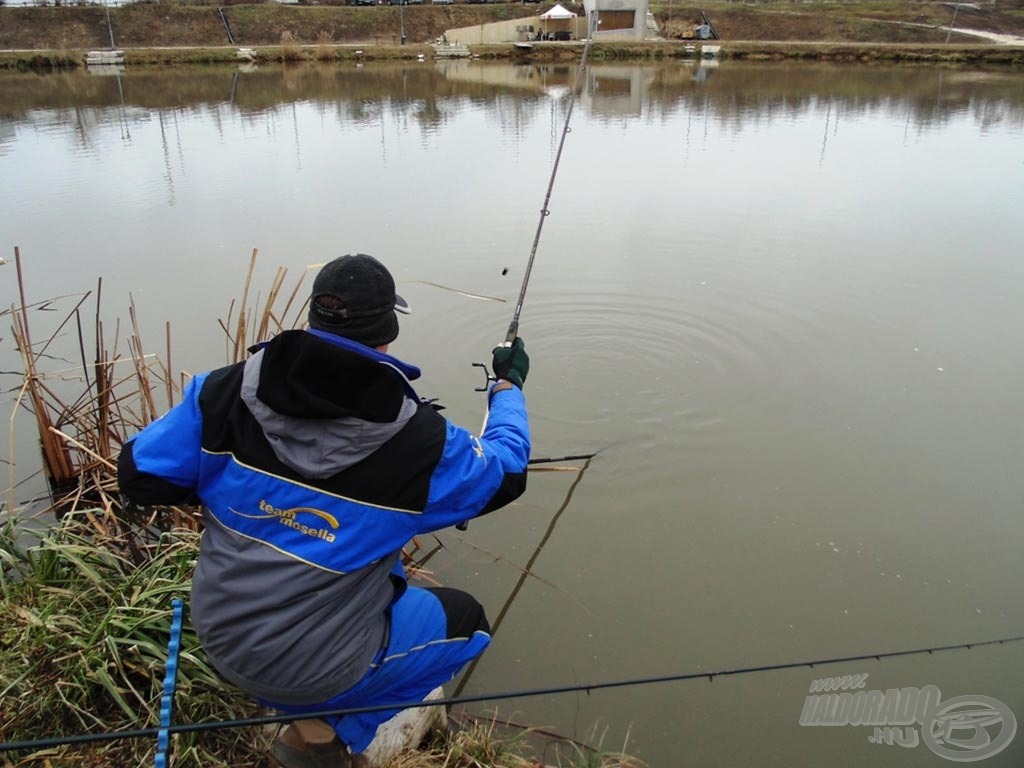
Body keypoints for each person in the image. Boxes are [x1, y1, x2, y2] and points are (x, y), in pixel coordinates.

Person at [118, 254, 531, 768]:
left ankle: (312, 725)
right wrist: (507, 388)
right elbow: (507, 472)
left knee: (383, 569)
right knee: (468, 623)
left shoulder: (222, 392)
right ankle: (333, 738)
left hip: (220, 640)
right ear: (388, 330)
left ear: (313, 316)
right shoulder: (420, 444)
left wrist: (249, 499)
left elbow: (138, 474)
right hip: (315, 671)